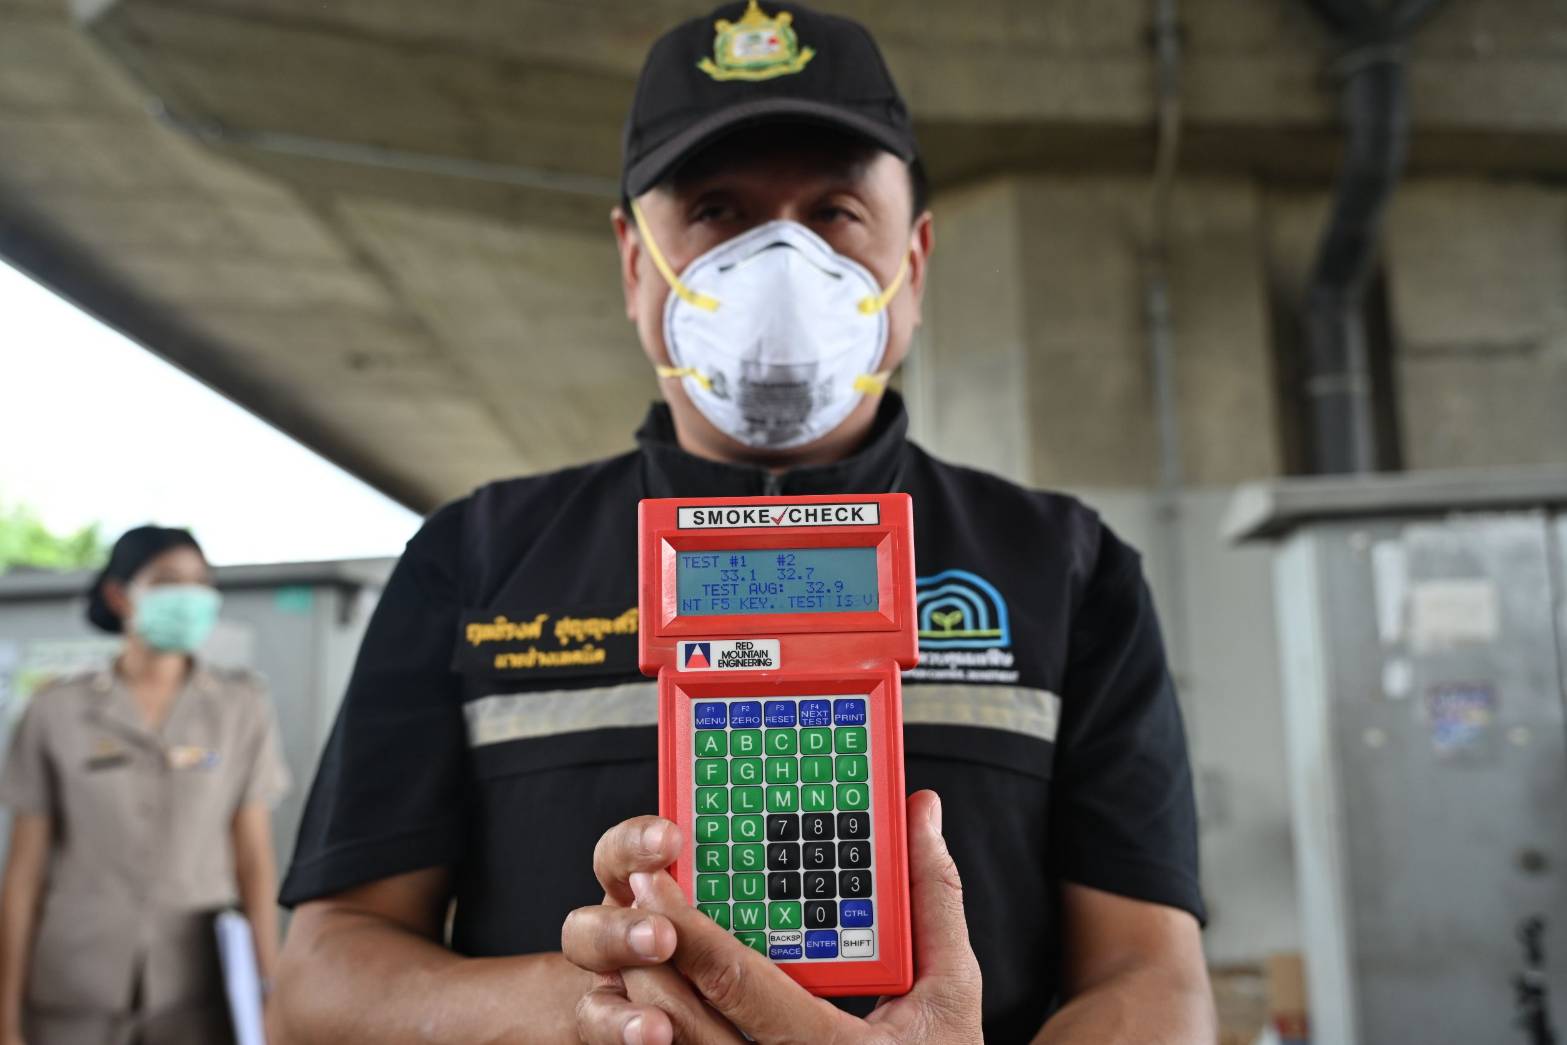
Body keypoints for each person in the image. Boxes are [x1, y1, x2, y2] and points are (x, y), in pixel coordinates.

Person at [273, 2, 1215, 1042]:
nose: (781, 258)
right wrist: (584, 1005)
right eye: (716, 210)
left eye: (836, 212)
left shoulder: (1066, 569)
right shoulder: (478, 556)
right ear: (635, 262)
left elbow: (1155, 981)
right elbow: (321, 980)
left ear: (914, 262)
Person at [0, 526, 290, 1045]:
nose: (190, 596)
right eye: (169, 580)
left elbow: (254, 860)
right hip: (73, 988)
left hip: (196, 992)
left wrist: (270, 992)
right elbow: (23, 872)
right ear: (119, 595)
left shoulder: (240, 708)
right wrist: (5, 1015)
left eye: (201, 582)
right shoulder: (56, 709)